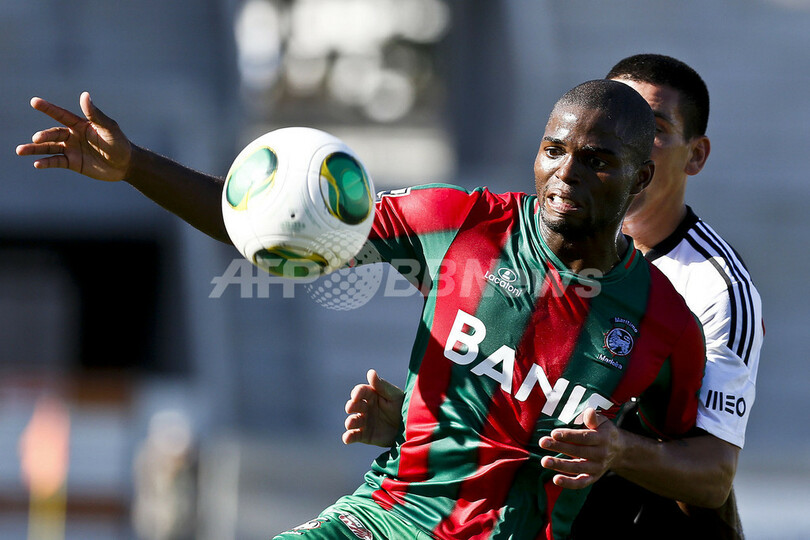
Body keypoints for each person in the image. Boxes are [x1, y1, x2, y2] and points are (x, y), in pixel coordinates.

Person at [17, 79, 708, 539]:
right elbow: (270, 231)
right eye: (553, 150)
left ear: (641, 176)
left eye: (596, 160)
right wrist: (134, 165)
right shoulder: (460, 222)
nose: (566, 174)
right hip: (381, 520)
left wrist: (622, 452)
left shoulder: (667, 323)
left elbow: (703, 474)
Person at [342, 54, 764, 539]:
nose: (623, 130)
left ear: (692, 156)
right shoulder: (517, 230)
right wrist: (424, 421)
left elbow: (711, 473)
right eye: (614, 113)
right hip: (451, 507)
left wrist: (620, 451)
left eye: (654, 128)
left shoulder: (712, 291)